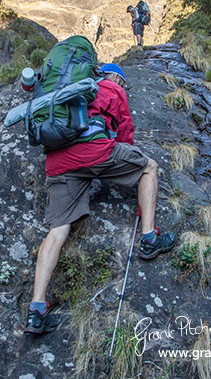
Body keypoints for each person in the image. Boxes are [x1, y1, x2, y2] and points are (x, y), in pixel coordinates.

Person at [24, 63, 176, 335]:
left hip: (59, 162)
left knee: (57, 230)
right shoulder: (112, 88)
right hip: (94, 151)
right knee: (149, 167)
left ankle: (36, 310)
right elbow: (126, 134)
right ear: (116, 76)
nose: (123, 86)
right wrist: (129, 166)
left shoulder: (71, 90)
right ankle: (150, 238)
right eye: (123, 81)